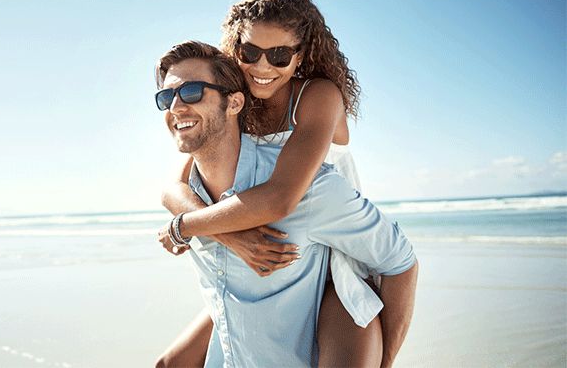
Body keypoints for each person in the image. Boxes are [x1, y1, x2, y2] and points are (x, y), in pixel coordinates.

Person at [153, 41, 417, 367]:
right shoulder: (188, 194)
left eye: (191, 92)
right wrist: (226, 234)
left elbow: (400, 261)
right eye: (166, 98)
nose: (176, 107)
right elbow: (170, 192)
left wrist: (386, 360)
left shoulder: (308, 189)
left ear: (234, 102)